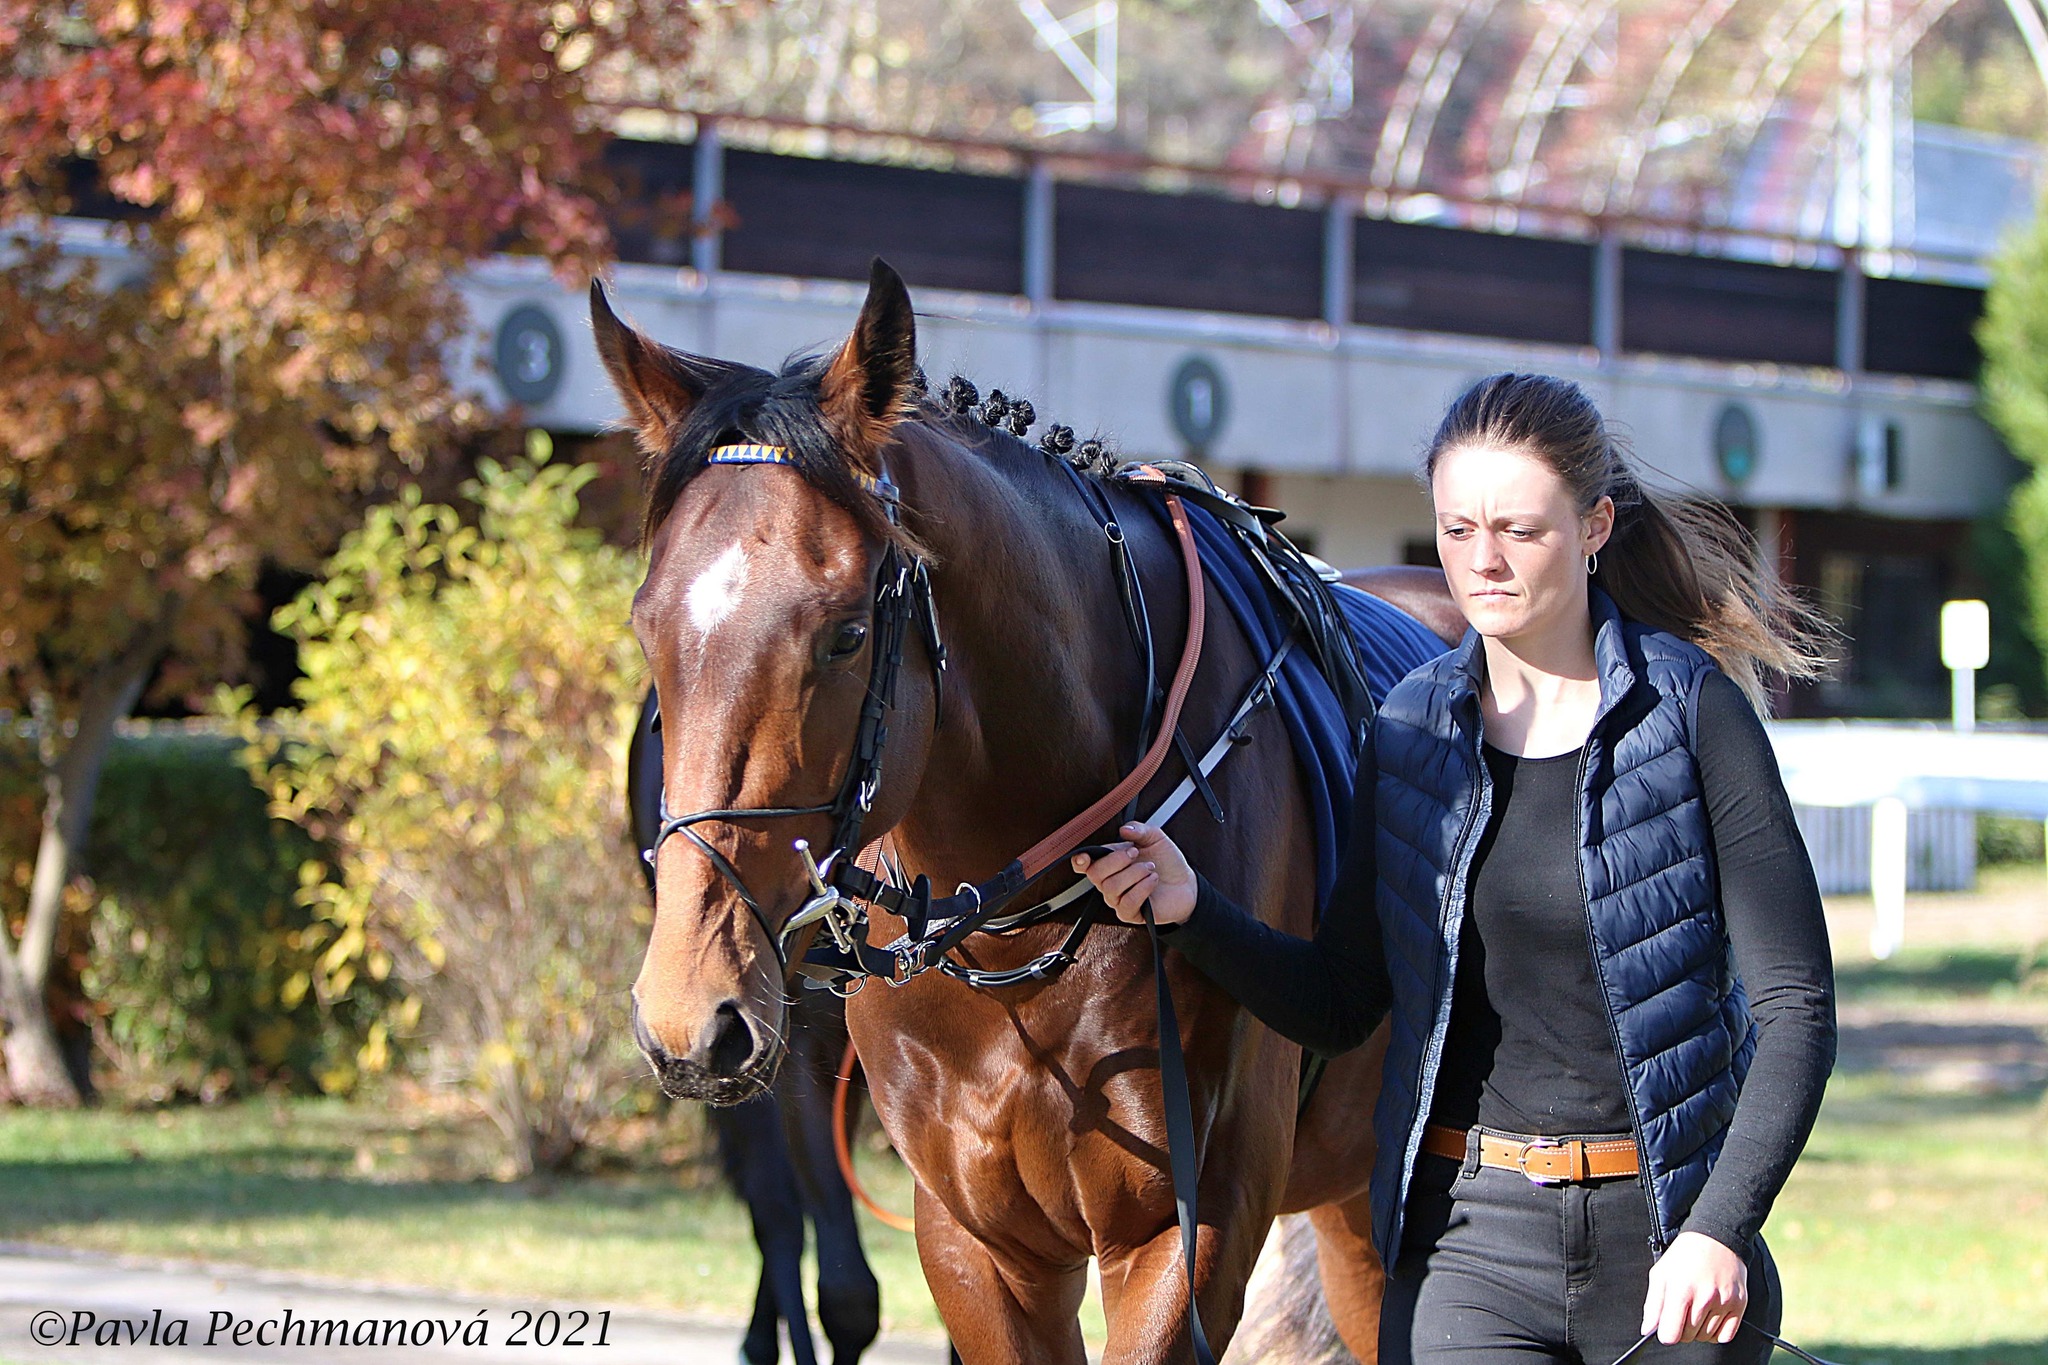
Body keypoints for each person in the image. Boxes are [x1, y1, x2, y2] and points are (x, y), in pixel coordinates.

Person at [1075, 373, 1837, 1364]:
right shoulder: (1408, 729)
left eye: (1519, 531)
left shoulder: (1692, 718)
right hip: (1464, 1253)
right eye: (1456, 529)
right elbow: (1340, 1001)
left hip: (1663, 1256)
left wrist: (1718, 1228)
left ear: (1594, 525)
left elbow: (1795, 1009)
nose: (1482, 562)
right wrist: (1192, 910)